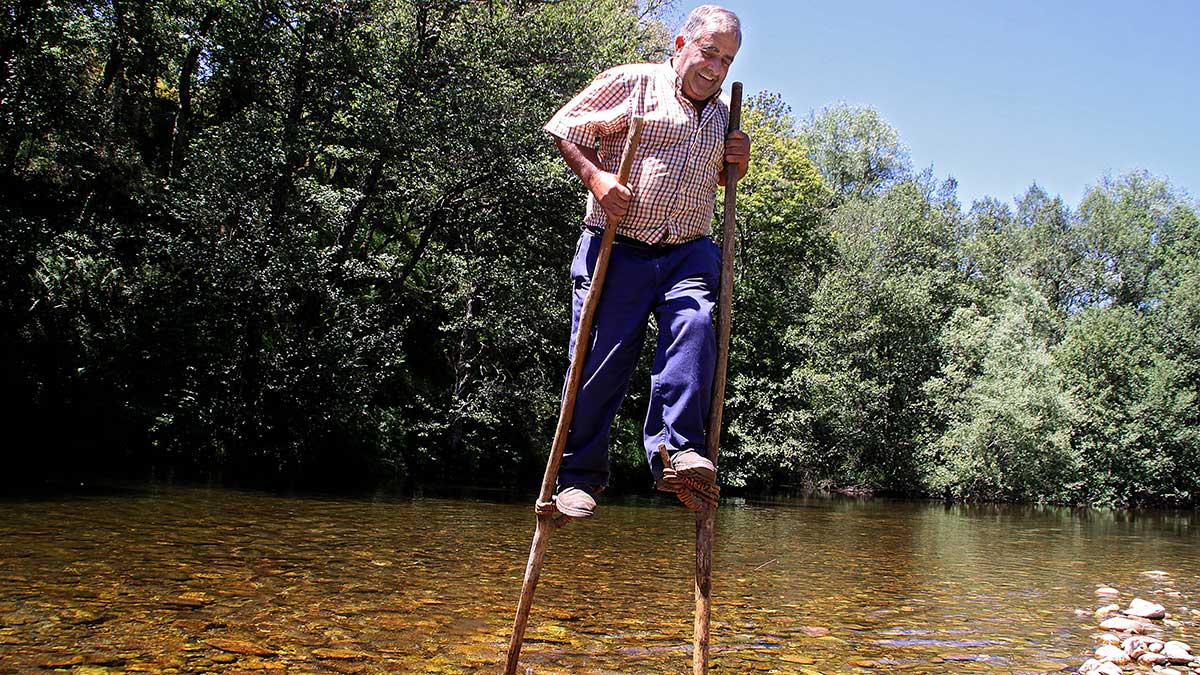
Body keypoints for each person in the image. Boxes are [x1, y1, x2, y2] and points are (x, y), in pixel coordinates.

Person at [542, 5, 750, 518]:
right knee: (597, 361)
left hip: (687, 250)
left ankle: (677, 454)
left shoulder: (724, 116)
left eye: (727, 60)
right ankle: (579, 477)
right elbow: (566, 127)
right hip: (619, 244)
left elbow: (715, 181)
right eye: (709, 52)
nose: (716, 68)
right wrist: (597, 180)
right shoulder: (633, 83)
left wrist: (735, 166)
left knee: (697, 325)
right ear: (682, 45)